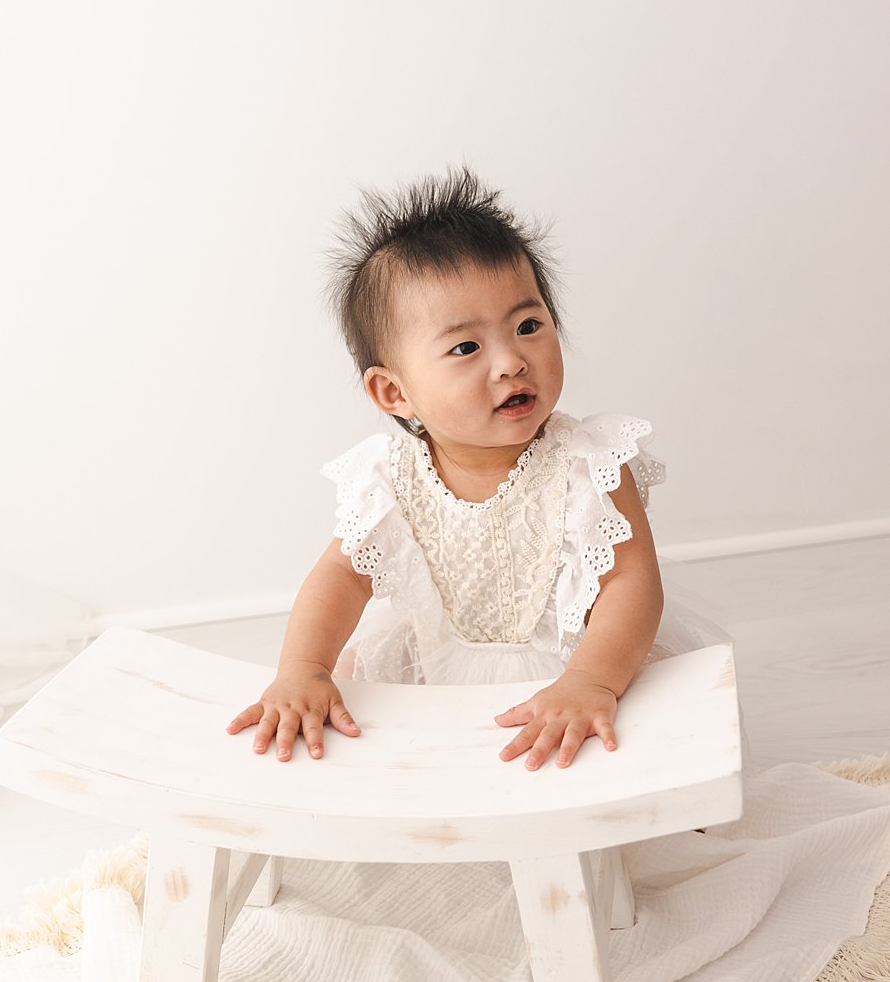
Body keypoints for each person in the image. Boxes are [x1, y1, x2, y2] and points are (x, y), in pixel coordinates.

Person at [226, 163, 747, 782]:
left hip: (583, 664)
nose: (510, 363)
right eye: (466, 348)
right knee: (392, 775)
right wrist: (302, 670)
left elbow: (631, 585)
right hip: (434, 676)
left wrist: (592, 681)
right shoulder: (389, 477)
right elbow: (341, 574)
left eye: (529, 326)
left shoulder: (586, 463)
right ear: (394, 392)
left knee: (651, 775)